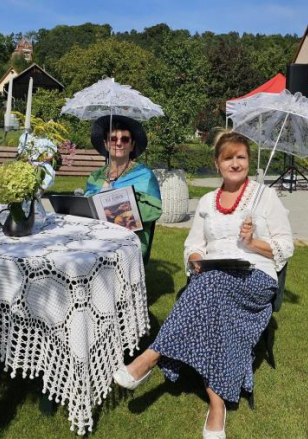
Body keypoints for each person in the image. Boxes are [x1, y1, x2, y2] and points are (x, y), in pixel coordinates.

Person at [112, 131, 293, 439]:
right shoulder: (208, 201)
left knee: (209, 286)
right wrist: (196, 257)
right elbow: (193, 244)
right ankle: (217, 405)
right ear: (217, 162)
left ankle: (151, 357)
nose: (235, 163)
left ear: (249, 161)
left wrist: (253, 241)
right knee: (211, 287)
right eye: (228, 158)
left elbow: (286, 246)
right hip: (212, 275)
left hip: (255, 276)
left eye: (241, 157)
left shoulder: (265, 196)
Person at [85, 115, 162, 258]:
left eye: (125, 139)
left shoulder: (144, 176)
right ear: (106, 144)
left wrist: (115, 210)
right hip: (97, 235)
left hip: (131, 238)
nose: (119, 143)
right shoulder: (96, 176)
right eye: (113, 139)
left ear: (132, 144)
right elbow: (86, 207)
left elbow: (154, 210)